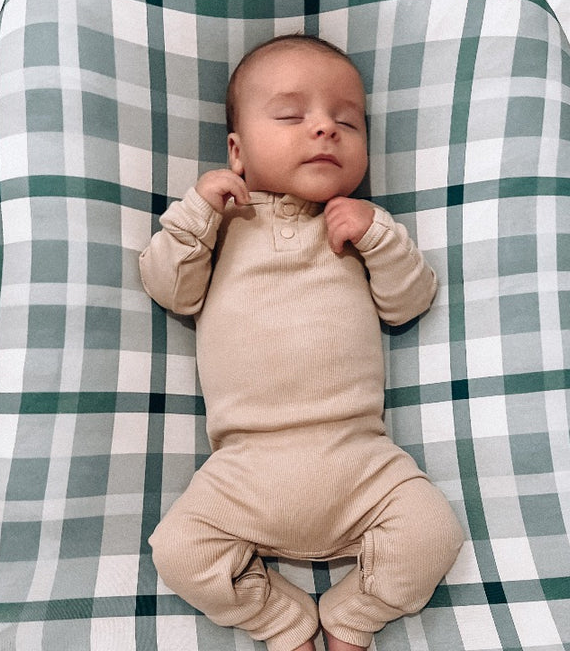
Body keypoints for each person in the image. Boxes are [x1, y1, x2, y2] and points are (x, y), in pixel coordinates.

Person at [139, 34, 464, 651]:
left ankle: (353, 616)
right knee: (177, 552)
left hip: (359, 457)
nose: (324, 130)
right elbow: (170, 290)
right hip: (243, 465)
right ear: (236, 151)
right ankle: (280, 620)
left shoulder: (360, 224)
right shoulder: (224, 222)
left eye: (346, 121)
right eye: (292, 116)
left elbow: (408, 301)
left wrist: (377, 238)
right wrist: (195, 214)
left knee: (433, 533)